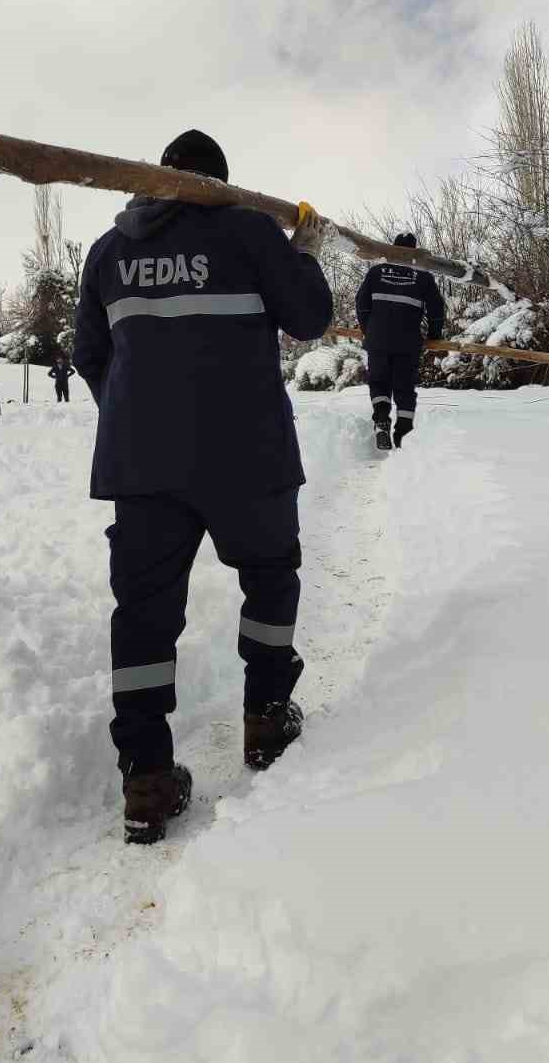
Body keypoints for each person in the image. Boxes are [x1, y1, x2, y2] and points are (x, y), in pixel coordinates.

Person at [74, 128, 333, 844]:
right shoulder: (249, 232)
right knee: (271, 579)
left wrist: (138, 417)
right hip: (247, 455)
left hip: (141, 467)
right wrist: (304, 251)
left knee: (144, 613)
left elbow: (88, 355)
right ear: (221, 183)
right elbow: (311, 318)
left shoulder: (108, 250)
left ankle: (147, 777)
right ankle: (266, 718)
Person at [355, 232, 445, 451]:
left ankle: (382, 422)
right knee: (404, 385)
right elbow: (436, 309)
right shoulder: (423, 277)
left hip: (377, 341)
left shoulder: (375, 273)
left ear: (392, 250)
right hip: (408, 342)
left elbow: (361, 303)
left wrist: (369, 330)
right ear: (415, 252)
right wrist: (434, 334)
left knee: (379, 382)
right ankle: (403, 434)